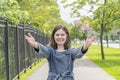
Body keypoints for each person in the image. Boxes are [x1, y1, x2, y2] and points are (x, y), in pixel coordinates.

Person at [24, 24, 95, 80]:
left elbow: (77, 53)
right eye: (57, 35)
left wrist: (85, 46)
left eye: (62, 35)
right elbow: (44, 50)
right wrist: (35, 44)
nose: (60, 37)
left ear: (66, 36)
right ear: (53, 37)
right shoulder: (50, 51)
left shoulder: (70, 51)